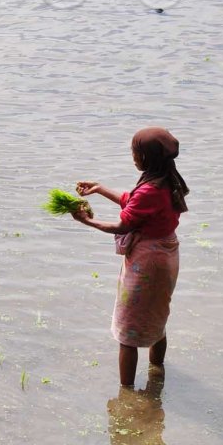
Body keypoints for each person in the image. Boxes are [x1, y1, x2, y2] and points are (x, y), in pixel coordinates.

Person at [70, 128, 189, 388]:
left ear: (147, 157)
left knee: (128, 330)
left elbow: (122, 225)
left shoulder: (150, 190)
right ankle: (157, 373)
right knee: (157, 317)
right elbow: (133, 201)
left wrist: (87, 221)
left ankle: (126, 392)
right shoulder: (166, 180)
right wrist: (100, 189)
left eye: (135, 152)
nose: (133, 157)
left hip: (147, 262)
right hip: (168, 253)